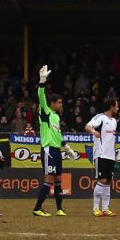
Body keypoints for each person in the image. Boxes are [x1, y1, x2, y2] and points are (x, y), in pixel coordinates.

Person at [32, 66, 79, 217]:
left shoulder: (56, 117)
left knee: (59, 179)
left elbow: (58, 135)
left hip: (57, 150)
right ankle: (37, 208)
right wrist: (42, 82)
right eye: (59, 103)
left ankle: (59, 208)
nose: (61, 105)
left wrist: (66, 147)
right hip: (48, 150)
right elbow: (41, 96)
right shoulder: (45, 112)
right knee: (49, 179)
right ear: (52, 103)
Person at [87, 97, 120, 217]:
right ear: (111, 106)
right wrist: (93, 131)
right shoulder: (100, 117)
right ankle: (96, 208)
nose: (118, 108)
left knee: (107, 182)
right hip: (101, 154)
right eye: (116, 106)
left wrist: (115, 153)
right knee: (101, 181)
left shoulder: (114, 121)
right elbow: (87, 126)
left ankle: (105, 209)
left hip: (110, 156)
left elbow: (112, 139)